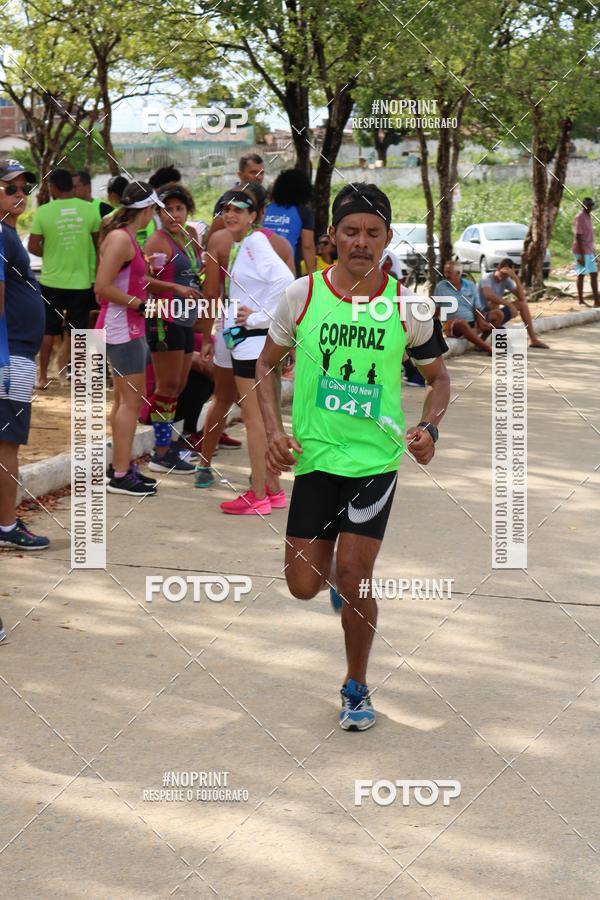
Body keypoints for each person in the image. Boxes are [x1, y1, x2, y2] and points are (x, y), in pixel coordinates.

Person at [256, 183, 450, 731]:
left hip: (374, 463)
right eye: (350, 231)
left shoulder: (408, 307)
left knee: (356, 573)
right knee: (302, 585)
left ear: (388, 239)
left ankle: (356, 685)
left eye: (372, 232)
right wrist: (274, 431)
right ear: (333, 239)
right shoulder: (303, 296)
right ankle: (340, 585)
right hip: (316, 458)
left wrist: (429, 427)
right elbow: (265, 366)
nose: (361, 242)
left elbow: (438, 379)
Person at [196, 182, 294, 490]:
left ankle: (205, 464)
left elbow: (211, 293)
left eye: (237, 208)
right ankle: (267, 478)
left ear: (255, 213)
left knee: (224, 398)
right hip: (266, 333)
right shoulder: (279, 244)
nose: (231, 214)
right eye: (228, 209)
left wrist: (207, 336)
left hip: (235, 327)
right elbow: (291, 294)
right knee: (269, 404)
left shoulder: (220, 240)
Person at [95, 182, 170, 496]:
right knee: (130, 402)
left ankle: (121, 467)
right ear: (149, 210)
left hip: (126, 325)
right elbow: (101, 287)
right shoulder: (120, 238)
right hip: (122, 326)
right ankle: (122, 475)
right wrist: (141, 305)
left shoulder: (125, 237)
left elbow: (125, 281)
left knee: (123, 402)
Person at [0, 160, 50, 549]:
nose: (19, 195)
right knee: (8, 445)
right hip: (9, 355)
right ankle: (6, 527)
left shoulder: (9, 233)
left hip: (17, 352)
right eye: (10, 188)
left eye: (23, 188)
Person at [142, 182, 203, 473]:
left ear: (188, 210)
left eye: (179, 208)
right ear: (157, 212)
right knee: (167, 386)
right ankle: (161, 451)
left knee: (178, 385)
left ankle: (169, 445)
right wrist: (174, 287)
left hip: (186, 319)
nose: (174, 214)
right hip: (162, 319)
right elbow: (142, 280)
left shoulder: (190, 236)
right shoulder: (157, 241)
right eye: (167, 209)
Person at [29, 168, 101, 388]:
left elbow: (33, 246)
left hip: (51, 281)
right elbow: (99, 247)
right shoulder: (90, 210)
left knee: (49, 329)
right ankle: (79, 376)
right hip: (81, 282)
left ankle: (42, 377)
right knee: (79, 330)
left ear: (53, 188)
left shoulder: (43, 212)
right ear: (71, 185)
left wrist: (49, 253)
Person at [478, 259, 549, 348]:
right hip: (482, 315)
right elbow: (489, 295)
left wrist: (515, 278)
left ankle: (533, 339)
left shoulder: (507, 280)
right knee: (494, 304)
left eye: (507, 275)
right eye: (503, 273)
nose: (504, 277)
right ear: (498, 268)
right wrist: (509, 304)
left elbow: (522, 298)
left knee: (522, 304)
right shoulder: (486, 278)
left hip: (496, 314)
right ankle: (484, 341)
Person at [434, 260, 498, 354]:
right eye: (445, 272)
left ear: (458, 273)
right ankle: (488, 348)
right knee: (462, 323)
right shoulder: (440, 287)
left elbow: (477, 307)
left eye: (449, 272)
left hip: (472, 325)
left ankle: (479, 344)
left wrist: (480, 321)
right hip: (453, 326)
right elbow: (436, 311)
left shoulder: (470, 285)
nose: (445, 275)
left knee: (498, 314)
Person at [263, 168, 316, 276]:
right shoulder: (303, 212)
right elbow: (308, 246)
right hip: (288, 271)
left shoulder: (264, 210)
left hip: (261, 269)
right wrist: (314, 280)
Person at [572, 197, 598, 307]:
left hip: (589, 250)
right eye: (588, 205)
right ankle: (581, 300)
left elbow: (590, 237)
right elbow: (578, 236)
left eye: (591, 205)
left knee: (593, 274)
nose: (590, 207)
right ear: (583, 205)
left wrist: (594, 253)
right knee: (581, 274)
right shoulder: (580, 217)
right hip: (581, 250)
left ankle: (597, 300)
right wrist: (582, 256)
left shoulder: (589, 216)